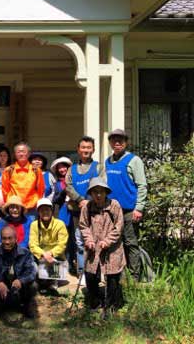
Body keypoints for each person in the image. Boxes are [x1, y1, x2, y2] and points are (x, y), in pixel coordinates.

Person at [79, 178, 125, 316]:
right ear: (91, 194)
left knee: (112, 277)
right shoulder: (87, 207)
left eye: (101, 192)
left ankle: (111, 306)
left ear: (106, 192)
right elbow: (83, 225)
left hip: (113, 248)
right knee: (90, 274)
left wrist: (108, 241)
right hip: (93, 247)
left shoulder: (114, 205)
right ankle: (95, 302)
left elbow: (119, 227)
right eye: (94, 192)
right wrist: (88, 240)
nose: (98, 195)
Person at [105, 129, 147, 281]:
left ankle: (134, 277)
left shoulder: (134, 160)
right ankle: (119, 273)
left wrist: (139, 208)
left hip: (130, 210)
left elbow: (142, 185)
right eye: (114, 140)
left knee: (130, 243)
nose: (117, 143)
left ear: (126, 142)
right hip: (112, 211)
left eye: (120, 140)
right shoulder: (108, 161)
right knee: (115, 243)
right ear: (110, 143)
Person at [66, 136, 102, 281]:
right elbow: (68, 186)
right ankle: (82, 273)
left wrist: (89, 201)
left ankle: (95, 273)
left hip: (95, 211)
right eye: (83, 147)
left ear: (93, 149)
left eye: (89, 148)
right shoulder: (72, 169)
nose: (86, 150)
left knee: (95, 241)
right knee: (79, 241)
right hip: (77, 211)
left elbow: (101, 186)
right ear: (78, 150)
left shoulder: (99, 167)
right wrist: (80, 200)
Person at [0, 226, 38, 318]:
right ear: (0, 238)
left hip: (19, 285)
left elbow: (31, 272)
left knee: (33, 285)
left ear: (16, 239)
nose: (7, 242)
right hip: (2, 285)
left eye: (10, 238)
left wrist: (21, 281)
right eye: (4, 238)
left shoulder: (26, 253)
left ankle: (27, 306)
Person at [28, 198, 68, 293]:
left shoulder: (60, 224)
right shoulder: (34, 225)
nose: (45, 212)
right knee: (35, 269)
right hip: (40, 257)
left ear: (52, 211)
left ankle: (52, 282)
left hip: (56, 257)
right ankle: (43, 281)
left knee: (55, 269)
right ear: (38, 212)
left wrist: (51, 253)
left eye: (47, 209)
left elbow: (62, 244)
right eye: (42, 210)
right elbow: (32, 244)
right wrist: (43, 254)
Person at [2, 142, 45, 217]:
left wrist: (35, 202)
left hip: (31, 209)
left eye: (24, 152)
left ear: (28, 154)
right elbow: (5, 190)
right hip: (14, 208)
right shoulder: (8, 170)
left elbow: (40, 190)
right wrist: (10, 204)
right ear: (15, 154)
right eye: (18, 152)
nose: (21, 154)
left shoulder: (36, 170)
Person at [51, 157, 75, 274]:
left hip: (74, 211)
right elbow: (54, 199)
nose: (62, 169)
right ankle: (64, 264)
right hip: (63, 212)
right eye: (59, 167)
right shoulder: (57, 184)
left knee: (74, 239)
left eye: (64, 166)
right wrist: (62, 193)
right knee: (63, 240)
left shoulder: (74, 179)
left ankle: (72, 264)